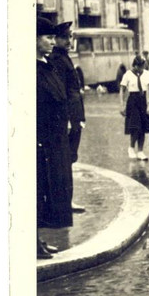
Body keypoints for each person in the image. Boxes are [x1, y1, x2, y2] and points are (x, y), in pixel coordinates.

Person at [37, 17, 72, 259]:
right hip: (42, 141)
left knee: (48, 190)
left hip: (55, 140)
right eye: (48, 38)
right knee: (38, 191)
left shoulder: (47, 64)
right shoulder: (34, 69)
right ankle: (33, 241)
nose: (52, 42)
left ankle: (37, 238)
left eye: (52, 37)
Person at [50, 22, 86, 213]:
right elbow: (62, 91)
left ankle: (67, 199)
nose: (69, 41)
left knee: (69, 158)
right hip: (68, 117)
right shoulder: (57, 59)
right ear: (56, 39)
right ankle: (65, 200)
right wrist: (70, 120)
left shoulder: (65, 57)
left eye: (70, 37)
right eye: (65, 37)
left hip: (74, 116)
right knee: (65, 160)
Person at [119, 55, 148, 160]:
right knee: (135, 126)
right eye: (140, 66)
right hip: (133, 101)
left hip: (143, 100)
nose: (141, 68)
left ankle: (140, 151)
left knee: (143, 128)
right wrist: (122, 104)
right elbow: (122, 89)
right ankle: (131, 147)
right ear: (135, 65)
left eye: (143, 66)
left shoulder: (146, 74)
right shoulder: (128, 74)